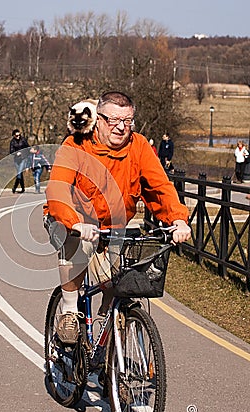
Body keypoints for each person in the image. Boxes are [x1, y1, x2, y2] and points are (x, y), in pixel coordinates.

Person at [44, 91, 191, 344]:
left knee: (120, 278)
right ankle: (69, 310)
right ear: (98, 119)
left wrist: (177, 219)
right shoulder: (75, 145)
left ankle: (108, 340)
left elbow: (160, 187)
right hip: (71, 221)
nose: (121, 127)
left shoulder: (139, 146)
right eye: (113, 120)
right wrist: (74, 222)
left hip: (113, 226)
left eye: (128, 120)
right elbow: (57, 188)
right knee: (78, 244)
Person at [10, 129, 30, 193]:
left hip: (23, 158)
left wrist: (24, 153)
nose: (18, 136)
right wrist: (16, 153)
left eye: (19, 135)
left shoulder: (23, 140)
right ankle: (22, 188)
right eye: (16, 135)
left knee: (19, 173)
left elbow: (28, 148)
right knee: (20, 174)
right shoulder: (12, 142)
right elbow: (11, 151)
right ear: (14, 136)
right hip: (16, 159)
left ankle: (14, 188)